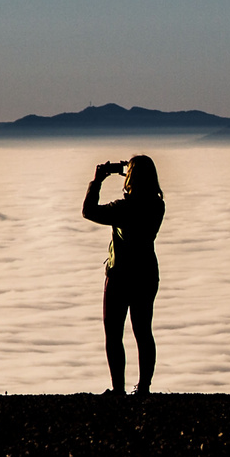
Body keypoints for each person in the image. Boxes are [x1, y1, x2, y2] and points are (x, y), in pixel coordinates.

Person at [83, 155, 165, 395]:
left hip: (120, 276)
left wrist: (97, 181)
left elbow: (88, 211)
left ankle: (118, 389)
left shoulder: (123, 208)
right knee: (143, 332)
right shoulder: (157, 205)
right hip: (147, 273)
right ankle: (144, 387)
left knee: (114, 333)